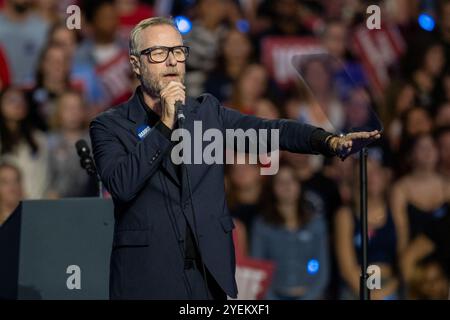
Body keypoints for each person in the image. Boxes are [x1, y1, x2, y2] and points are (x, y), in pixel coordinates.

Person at [89, 16, 380, 300]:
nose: (172, 61)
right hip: (146, 279)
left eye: (178, 51)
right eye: (158, 53)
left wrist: (328, 141)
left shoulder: (206, 113)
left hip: (207, 278)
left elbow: (271, 131)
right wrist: (165, 124)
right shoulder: (109, 125)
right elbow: (121, 184)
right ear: (135, 64)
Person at [251, 163, 330, 300]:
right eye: (280, 182)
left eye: (291, 180)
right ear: (272, 188)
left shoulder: (316, 223)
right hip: (273, 296)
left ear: (299, 185)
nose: (286, 186)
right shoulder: (262, 225)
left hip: (311, 296)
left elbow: (323, 269)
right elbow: (259, 268)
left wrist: (309, 297)